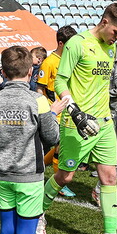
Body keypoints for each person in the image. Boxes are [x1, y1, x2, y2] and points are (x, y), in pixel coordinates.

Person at [42, 3, 117, 234]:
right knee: (65, 177)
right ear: (105, 22)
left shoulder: (111, 47)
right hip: (76, 123)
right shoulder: (77, 44)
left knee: (109, 177)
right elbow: (60, 81)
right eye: (116, 32)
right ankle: (38, 213)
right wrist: (74, 111)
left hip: (104, 123)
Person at [0, 46, 64, 234]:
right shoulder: (37, 100)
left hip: (3, 173)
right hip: (29, 175)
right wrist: (53, 113)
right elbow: (52, 137)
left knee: (6, 230)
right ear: (30, 71)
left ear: (3, 71)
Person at [36, 25, 78, 204]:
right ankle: (59, 183)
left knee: (61, 145)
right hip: (55, 111)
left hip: (69, 110)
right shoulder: (49, 62)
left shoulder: (72, 59)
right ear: (61, 44)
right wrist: (45, 109)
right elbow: (40, 88)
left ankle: (40, 165)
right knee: (61, 145)